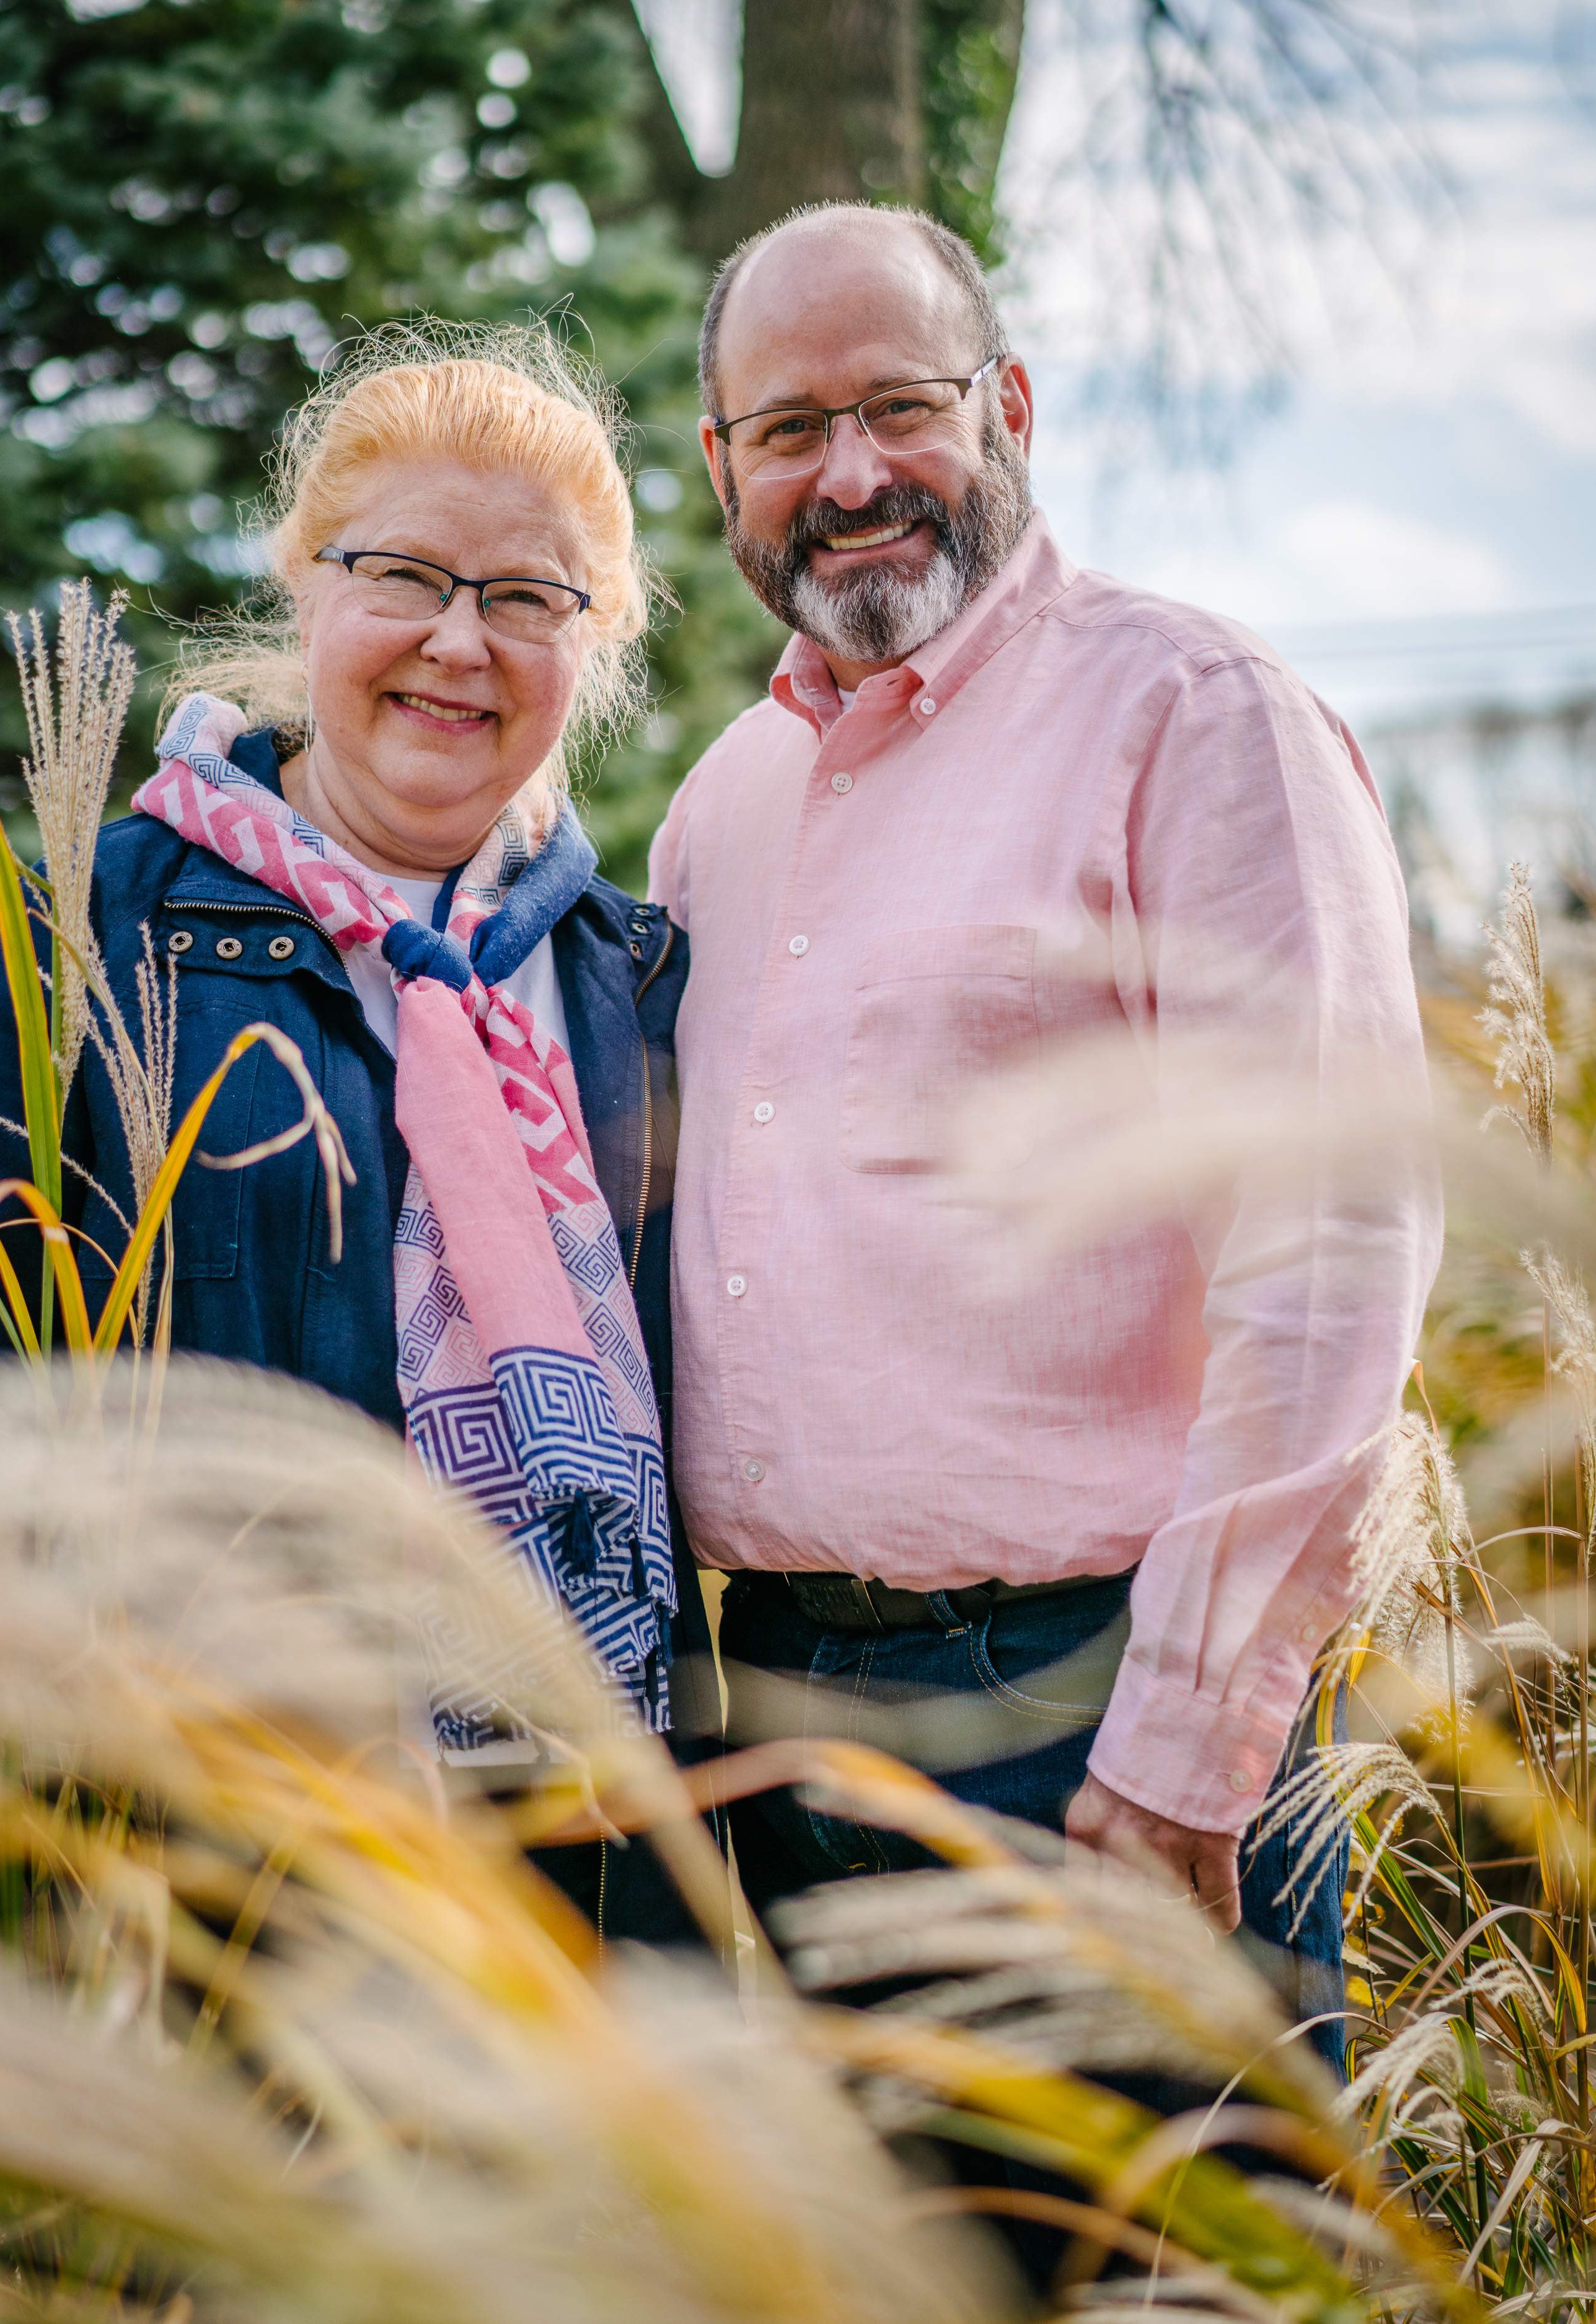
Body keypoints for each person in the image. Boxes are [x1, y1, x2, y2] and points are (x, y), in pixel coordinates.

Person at [648, 201, 1444, 2067]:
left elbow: (1326, 1251)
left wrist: (1189, 1739)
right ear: (724, 467)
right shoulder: (723, 804)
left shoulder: (1194, 717)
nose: (853, 476)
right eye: (791, 428)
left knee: (1170, 2228)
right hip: (783, 1711)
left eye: (902, 406)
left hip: (1088, 1717)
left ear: (1007, 405)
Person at [0, 324, 711, 1942]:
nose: (458, 642)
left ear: (592, 639)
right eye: (404, 575)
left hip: (588, 1872)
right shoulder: (95, 933)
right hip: (208, 1877)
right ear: (307, 584)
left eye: (526, 598)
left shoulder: (632, 980)